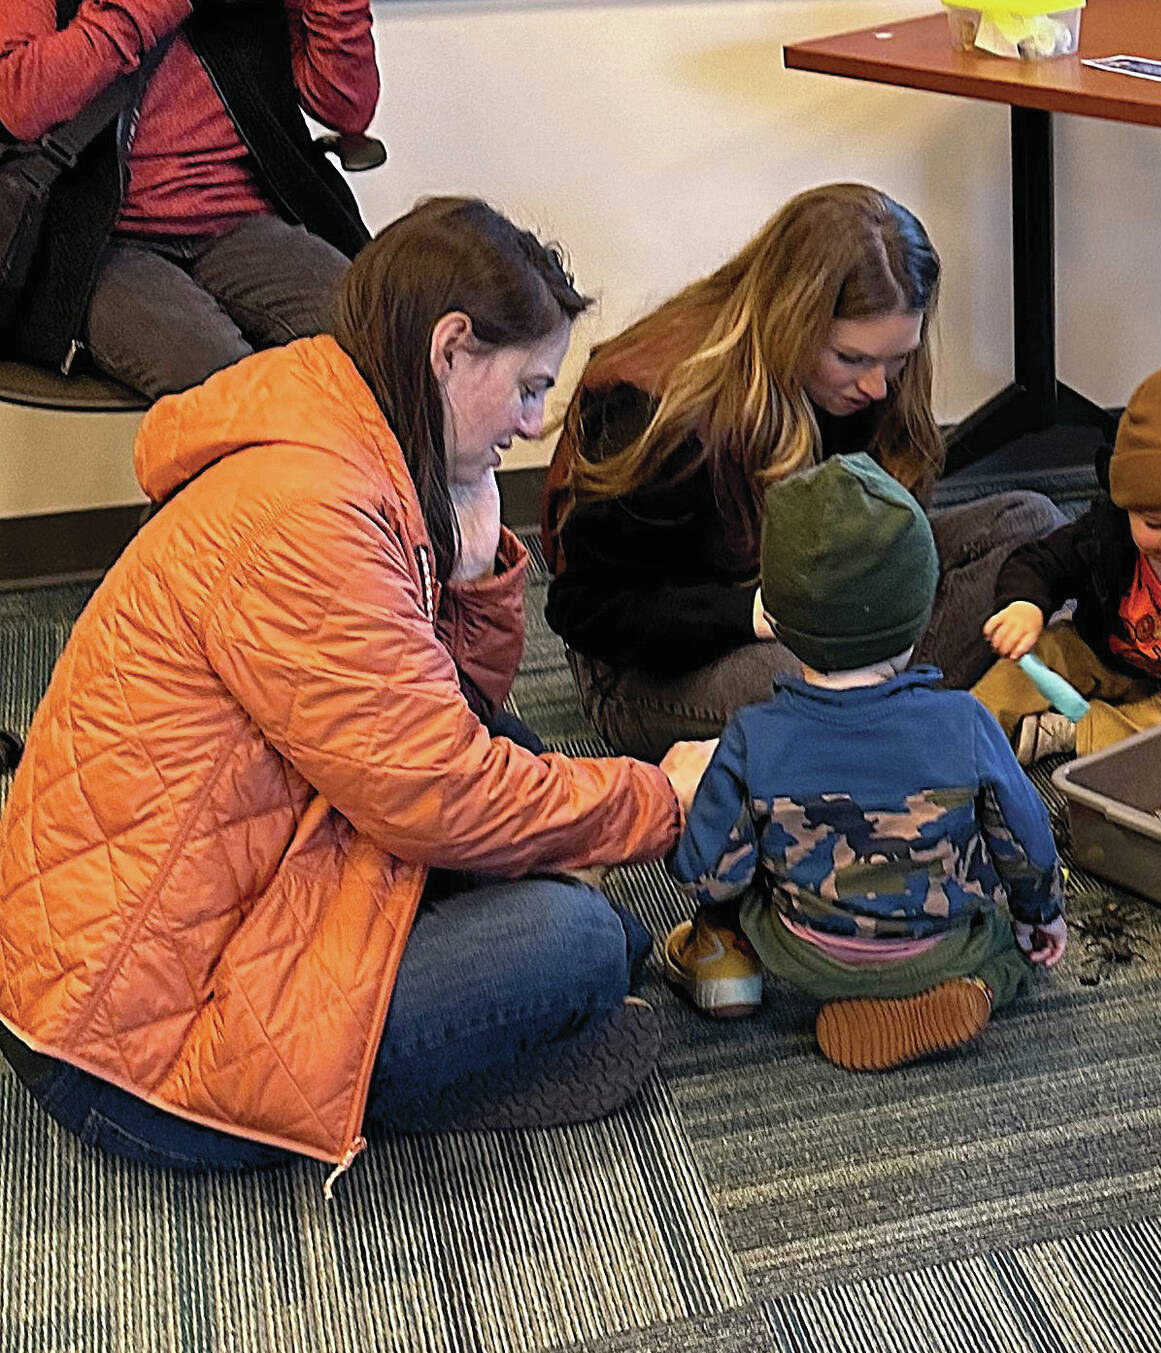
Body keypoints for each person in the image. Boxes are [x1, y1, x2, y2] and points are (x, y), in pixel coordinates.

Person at [0, 198, 710, 1179]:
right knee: (582, 941)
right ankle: (435, 1093)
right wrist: (659, 802)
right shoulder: (309, 519)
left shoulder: (340, 440)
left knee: (538, 803)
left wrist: (470, 560)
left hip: (191, 923)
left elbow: (449, 714)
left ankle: (460, 1039)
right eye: (528, 387)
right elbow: (440, 794)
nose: (534, 423)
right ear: (453, 348)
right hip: (124, 1062)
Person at [541, 183, 1062, 761]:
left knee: (1029, 525)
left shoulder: (876, 380)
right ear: (790, 322)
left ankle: (880, 722)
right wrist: (756, 613)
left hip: (825, 612)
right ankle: (924, 721)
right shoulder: (660, 404)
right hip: (665, 662)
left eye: (898, 357)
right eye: (852, 359)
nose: (878, 386)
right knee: (804, 682)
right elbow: (584, 610)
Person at [667, 454, 1067, 1070]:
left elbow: (710, 872)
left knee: (728, 899)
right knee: (1015, 945)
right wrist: (1040, 915)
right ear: (921, 613)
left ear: (771, 617)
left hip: (804, 957)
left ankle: (727, 967)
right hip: (942, 950)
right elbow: (1027, 842)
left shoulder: (753, 735)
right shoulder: (964, 721)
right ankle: (980, 988)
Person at [0, 0, 377, 396]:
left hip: (241, 221)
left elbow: (346, 107)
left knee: (375, 334)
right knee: (222, 380)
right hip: (95, 241)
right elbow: (20, 101)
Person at [974, 364, 1161, 762]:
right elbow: (1043, 561)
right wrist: (1025, 605)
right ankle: (963, 738)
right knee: (1043, 652)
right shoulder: (1108, 534)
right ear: (1125, 505)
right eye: (1156, 524)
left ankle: (1074, 729)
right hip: (1105, 655)